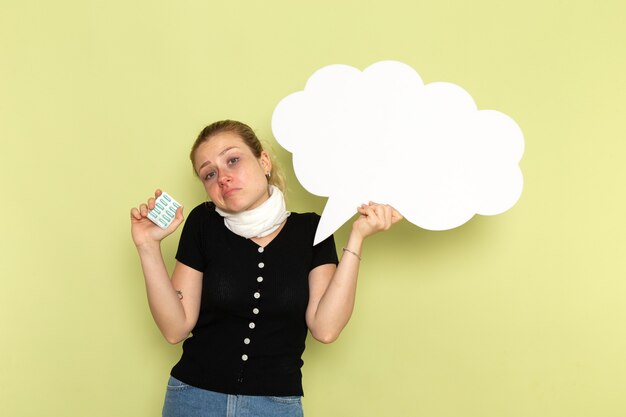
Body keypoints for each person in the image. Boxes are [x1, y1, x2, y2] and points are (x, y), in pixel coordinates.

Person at [130, 120, 402, 417]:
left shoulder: (312, 229)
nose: (222, 177)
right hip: (194, 399)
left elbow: (325, 329)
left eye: (232, 160)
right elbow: (174, 328)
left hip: (275, 406)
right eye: (209, 174)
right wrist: (147, 245)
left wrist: (358, 236)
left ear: (263, 161)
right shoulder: (202, 223)